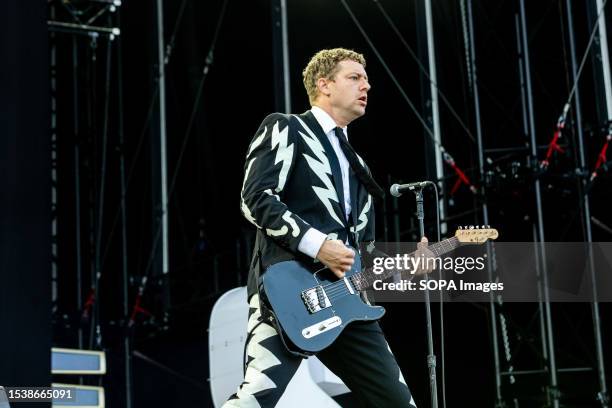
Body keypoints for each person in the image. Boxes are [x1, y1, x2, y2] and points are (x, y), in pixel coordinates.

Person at [227, 48, 428, 407]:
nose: (366, 85)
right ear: (324, 85)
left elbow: (362, 256)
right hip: (287, 294)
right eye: (355, 78)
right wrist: (317, 244)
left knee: (399, 403)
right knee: (255, 399)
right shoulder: (286, 127)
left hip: (348, 305)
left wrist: (409, 267)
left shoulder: (359, 167)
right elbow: (254, 198)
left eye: (366, 79)